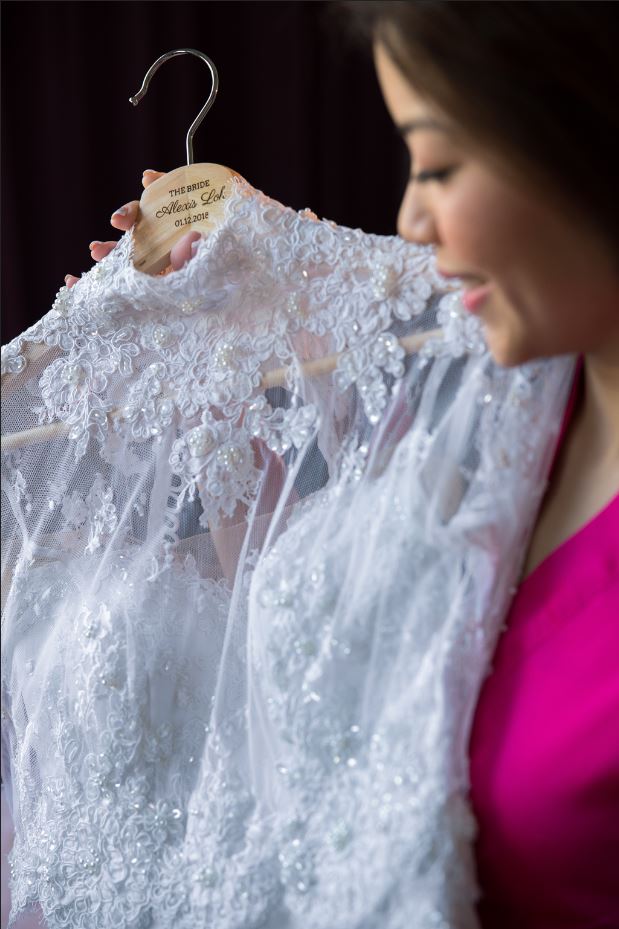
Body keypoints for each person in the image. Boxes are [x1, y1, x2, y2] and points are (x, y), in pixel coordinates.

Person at [54, 2, 618, 926]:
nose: (410, 213)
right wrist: (249, 257)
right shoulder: (514, 409)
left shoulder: (498, 397)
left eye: (435, 162)